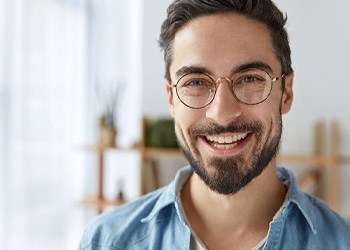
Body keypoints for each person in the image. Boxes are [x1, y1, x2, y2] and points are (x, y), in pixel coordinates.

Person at [79, 0, 350, 249]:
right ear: (171, 98)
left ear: (286, 92)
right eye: (195, 82)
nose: (222, 113)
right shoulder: (107, 241)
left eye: (250, 79)